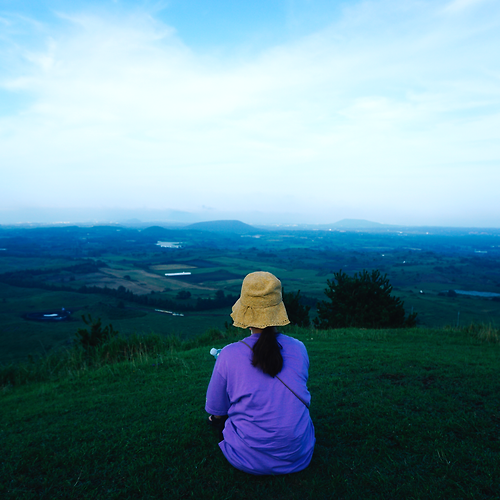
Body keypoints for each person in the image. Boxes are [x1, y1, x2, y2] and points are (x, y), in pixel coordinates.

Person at [205, 271, 315, 475]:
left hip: (246, 458)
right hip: (298, 455)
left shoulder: (228, 355)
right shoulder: (299, 348)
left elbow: (216, 410)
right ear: (277, 310)